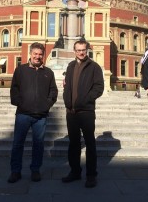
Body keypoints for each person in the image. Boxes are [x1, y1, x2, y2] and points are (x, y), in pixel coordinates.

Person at [8, 42, 58, 183]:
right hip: (23, 114)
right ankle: (15, 171)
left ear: (43, 55)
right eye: (35, 54)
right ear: (30, 54)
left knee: (38, 145)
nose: (37, 56)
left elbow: (53, 91)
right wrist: (19, 103)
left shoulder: (48, 72)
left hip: (40, 116)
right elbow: (14, 89)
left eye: (40, 54)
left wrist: (46, 105)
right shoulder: (20, 70)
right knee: (18, 144)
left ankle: (35, 170)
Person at [62, 40, 104, 188]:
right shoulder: (70, 66)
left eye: (83, 50)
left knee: (90, 144)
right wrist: (67, 100)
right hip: (71, 112)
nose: (81, 52)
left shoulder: (94, 67)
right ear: (74, 51)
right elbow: (66, 85)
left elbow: (99, 87)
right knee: (73, 144)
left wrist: (87, 99)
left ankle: (91, 175)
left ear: (87, 50)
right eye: (78, 50)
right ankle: (75, 172)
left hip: (86, 112)